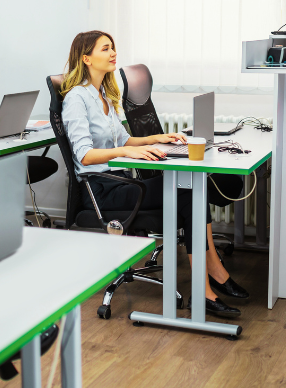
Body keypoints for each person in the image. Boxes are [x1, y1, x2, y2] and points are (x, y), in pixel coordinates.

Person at [61, 30, 247, 318]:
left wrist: (161, 138)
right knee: (188, 191)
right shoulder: (76, 98)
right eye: (105, 49)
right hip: (100, 189)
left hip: (120, 181)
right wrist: (126, 153)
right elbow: (84, 155)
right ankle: (208, 284)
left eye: (113, 47)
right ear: (86, 59)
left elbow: (124, 140)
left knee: (191, 189)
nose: (113, 53)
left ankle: (210, 279)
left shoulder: (105, 96)